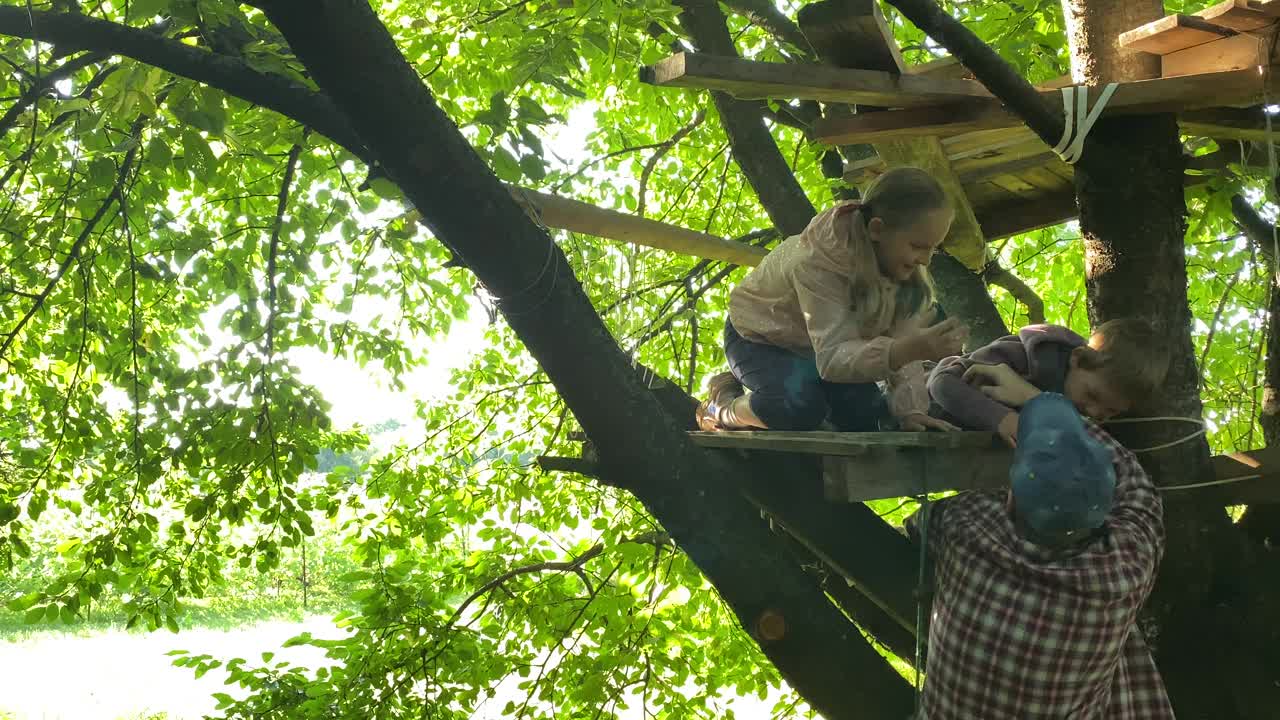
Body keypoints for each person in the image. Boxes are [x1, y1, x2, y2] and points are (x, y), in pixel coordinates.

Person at [906, 388, 1174, 719]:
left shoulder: (966, 524)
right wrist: (1039, 400)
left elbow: (917, 523)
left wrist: (1031, 408)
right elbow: (1139, 488)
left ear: (1010, 498)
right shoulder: (1123, 571)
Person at [696, 166, 969, 433]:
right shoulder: (819, 262)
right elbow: (835, 359)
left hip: (817, 349)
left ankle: (785, 391)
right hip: (758, 337)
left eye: (934, 247)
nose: (926, 259)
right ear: (877, 230)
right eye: (918, 246)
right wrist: (906, 349)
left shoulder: (901, 266)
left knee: (868, 419)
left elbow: (902, 341)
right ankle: (722, 407)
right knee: (799, 407)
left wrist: (911, 412)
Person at [927, 319, 1169, 446]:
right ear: (1078, 358)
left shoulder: (1071, 409)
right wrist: (1002, 418)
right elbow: (941, 383)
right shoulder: (1022, 357)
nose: (1094, 412)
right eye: (1093, 395)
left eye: (1110, 412)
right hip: (909, 400)